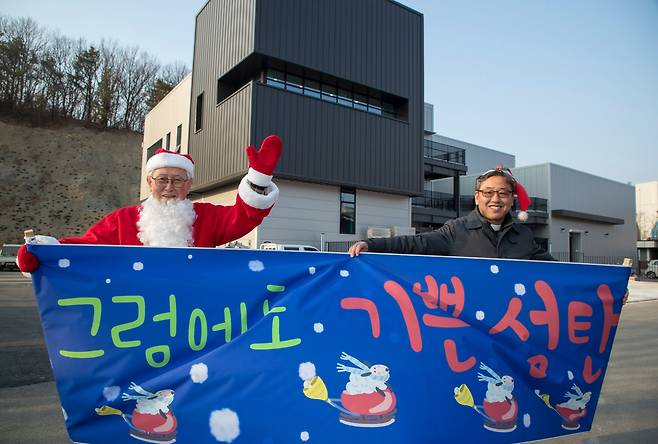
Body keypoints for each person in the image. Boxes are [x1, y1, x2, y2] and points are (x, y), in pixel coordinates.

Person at [18, 135, 284, 272]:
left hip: (192, 315)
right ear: (149, 181)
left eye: (178, 180)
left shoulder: (205, 216)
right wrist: (45, 253)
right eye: (162, 179)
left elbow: (243, 217)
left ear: (189, 185)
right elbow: (87, 248)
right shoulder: (121, 220)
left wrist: (258, 180)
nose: (169, 187)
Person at [349, 166, 554, 261]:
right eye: (488, 193)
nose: (495, 199)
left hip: (512, 325)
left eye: (503, 193)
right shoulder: (457, 230)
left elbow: (561, 271)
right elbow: (417, 243)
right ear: (477, 197)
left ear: (511, 199)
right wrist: (372, 244)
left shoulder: (524, 236)